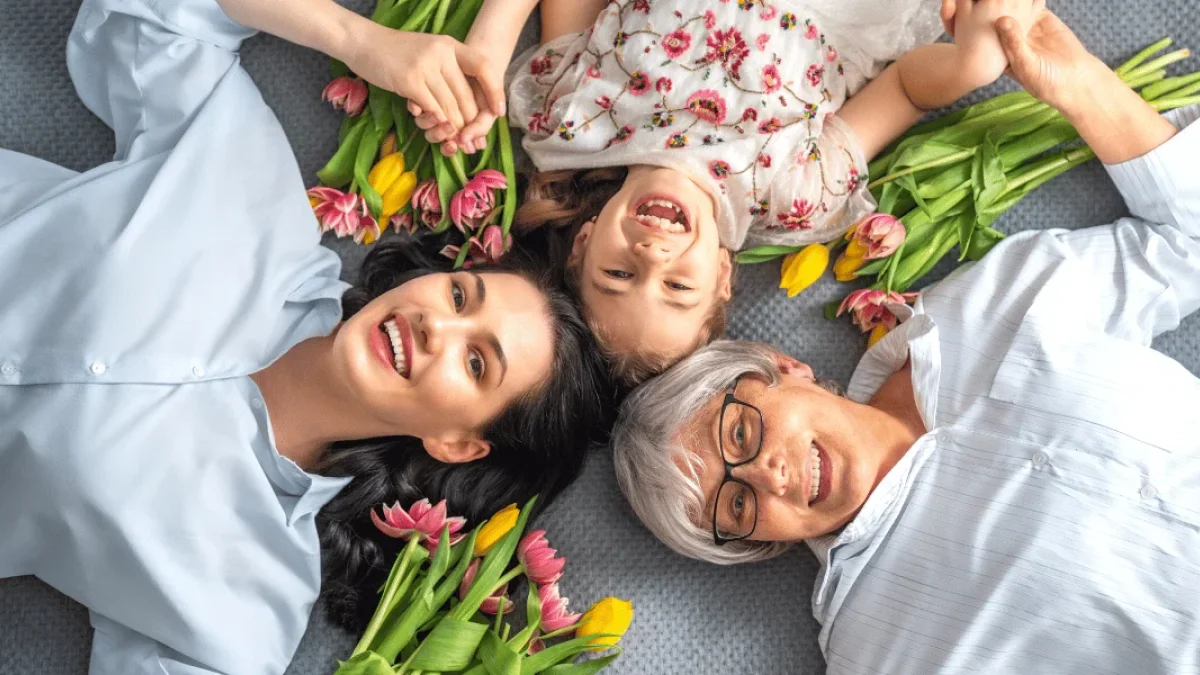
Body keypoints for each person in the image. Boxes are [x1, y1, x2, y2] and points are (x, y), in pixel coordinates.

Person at [0, 0, 610, 673]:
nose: (436, 322)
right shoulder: (248, 194)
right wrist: (359, 39)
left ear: (459, 442)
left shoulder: (248, 598)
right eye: (462, 295)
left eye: (475, 361)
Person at [612, 9, 1200, 673]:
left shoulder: (987, 310)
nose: (767, 476)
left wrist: (1075, 82)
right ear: (762, 545)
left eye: (740, 436)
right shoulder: (878, 649)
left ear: (781, 366)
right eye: (739, 504)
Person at [414, 0, 1041, 386]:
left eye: (618, 273)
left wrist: (491, 44)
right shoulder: (795, 198)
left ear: (582, 243)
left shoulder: (567, 126)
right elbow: (904, 89)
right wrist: (971, 66)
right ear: (721, 277)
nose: (652, 257)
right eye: (676, 287)